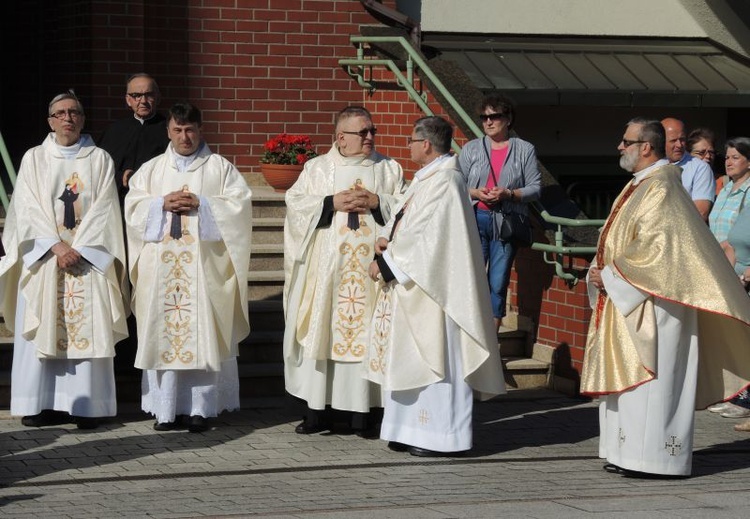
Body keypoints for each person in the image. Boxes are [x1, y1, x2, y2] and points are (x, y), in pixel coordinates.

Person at [582, 117, 750, 478]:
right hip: (632, 299)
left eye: (626, 141)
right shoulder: (641, 184)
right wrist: (600, 272)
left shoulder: (662, 187)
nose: (619, 147)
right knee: (631, 388)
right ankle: (627, 453)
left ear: (646, 147)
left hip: (657, 305)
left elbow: (658, 250)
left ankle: (656, 460)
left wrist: (610, 274)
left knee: (655, 384)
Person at [367, 116, 505, 457]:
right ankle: (406, 428)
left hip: (436, 289)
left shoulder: (445, 180)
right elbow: (406, 221)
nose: (409, 146)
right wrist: (385, 239)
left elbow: (428, 238)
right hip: (414, 284)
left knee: (436, 357)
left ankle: (441, 437)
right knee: (409, 356)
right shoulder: (427, 178)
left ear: (426, 144)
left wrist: (386, 263)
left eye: (412, 140)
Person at [0, 90, 129, 429]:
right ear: (50, 120)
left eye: (74, 112)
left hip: (87, 260)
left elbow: (105, 209)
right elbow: (25, 208)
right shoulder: (34, 158)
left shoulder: (99, 159)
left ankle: (86, 408)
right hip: (45, 259)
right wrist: (56, 247)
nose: (68, 118)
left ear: (83, 119)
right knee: (42, 325)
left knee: (86, 331)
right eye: (61, 113)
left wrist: (81, 250)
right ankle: (40, 404)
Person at [124, 102, 252, 433]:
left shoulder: (220, 168)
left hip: (203, 271)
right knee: (163, 336)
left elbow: (240, 209)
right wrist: (159, 204)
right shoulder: (151, 170)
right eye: (178, 130)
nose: (185, 136)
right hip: (161, 272)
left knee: (203, 335)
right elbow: (132, 209)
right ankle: (165, 410)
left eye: (190, 129)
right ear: (168, 131)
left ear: (200, 129)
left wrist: (203, 203)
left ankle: (201, 409)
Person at [283, 106, 406, 437]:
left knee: (368, 336)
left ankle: (365, 416)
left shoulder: (388, 169)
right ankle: (317, 414)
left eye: (372, 131)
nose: (369, 137)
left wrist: (379, 202)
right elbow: (295, 205)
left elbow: (408, 210)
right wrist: (329, 204)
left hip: (371, 277)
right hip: (327, 276)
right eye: (362, 132)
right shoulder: (317, 169)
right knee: (323, 335)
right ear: (340, 137)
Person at [458, 93, 541, 332]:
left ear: (508, 118)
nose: (488, 122)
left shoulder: (524, 149)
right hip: (475, 219)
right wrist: (475, 193)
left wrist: (509, 194)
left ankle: (492, 341)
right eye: (484, 117)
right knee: (472, 277)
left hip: (505, 222)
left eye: (494, 116)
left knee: (497, 281)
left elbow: (535, 187)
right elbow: (456, 184)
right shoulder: (472, 148)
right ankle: (469, 335)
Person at [706, 138, 750, 421]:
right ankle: (735, 393)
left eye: (736, 157)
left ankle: (744, 397)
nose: (729, 161)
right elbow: (727, 239)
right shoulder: (723, 188)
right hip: (726, 267)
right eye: (727, 157)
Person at [99, 73, 170, 203]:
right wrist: (121, 176)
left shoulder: (170, 130)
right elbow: (100, 169)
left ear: (158, 98)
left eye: (149, 95)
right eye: (136, 95)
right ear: (128, 100)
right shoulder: (114, 131)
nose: (143, 101)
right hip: (118, 202)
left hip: (155, 201)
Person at [661, 117, 715, 221]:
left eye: (682, 139)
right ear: (661, 140)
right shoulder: (652, 165)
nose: (679, 145)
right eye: (673, 141)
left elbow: (701, 213)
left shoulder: (700, 168)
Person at [687, 127, 723, 195]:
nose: (708, 156)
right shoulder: (680, 180)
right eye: (701, 153)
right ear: (689, 155)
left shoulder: (723, 183)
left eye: (711, 152)